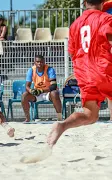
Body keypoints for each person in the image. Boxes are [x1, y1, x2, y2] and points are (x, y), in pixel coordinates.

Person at [47, 0, 112, 147]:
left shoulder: (75, 24)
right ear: (102, 2)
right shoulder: (105, 19)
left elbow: (72, 53)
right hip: (102, 69)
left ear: (84, 3)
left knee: (90, 116)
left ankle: (62, 125)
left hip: (83, 74)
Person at [21, 55, 62, 122]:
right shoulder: (31, 70)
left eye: (41, 62)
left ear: (44, 62)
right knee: (24, 95)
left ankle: (59, 117)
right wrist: (31, 90)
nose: (39, 63)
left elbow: (53, 86)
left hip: (48, 92)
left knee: (55, 93)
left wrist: (41, 90)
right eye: (38, 62)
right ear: (34, 62)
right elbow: (27, 86)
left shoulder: (50, 69)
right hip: (37, 93)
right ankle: (27, 118)